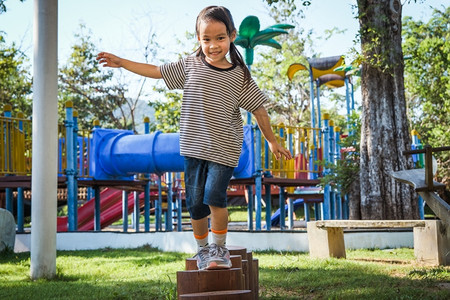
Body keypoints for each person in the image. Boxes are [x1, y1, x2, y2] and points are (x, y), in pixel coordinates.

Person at [96, 5, 292, 270]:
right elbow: (156, 71)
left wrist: (271, 140)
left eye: (220, 38)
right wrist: (122, 63)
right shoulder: (191, 65)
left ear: (232, 35)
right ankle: (203, 251)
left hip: (224, 149)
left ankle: (219, 249)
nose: (213, 45)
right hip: (192, 148)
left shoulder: (239, 75)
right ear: (198, 40)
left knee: (214, 197)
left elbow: (259, 109)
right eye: (206, 39)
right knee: (196, 204)